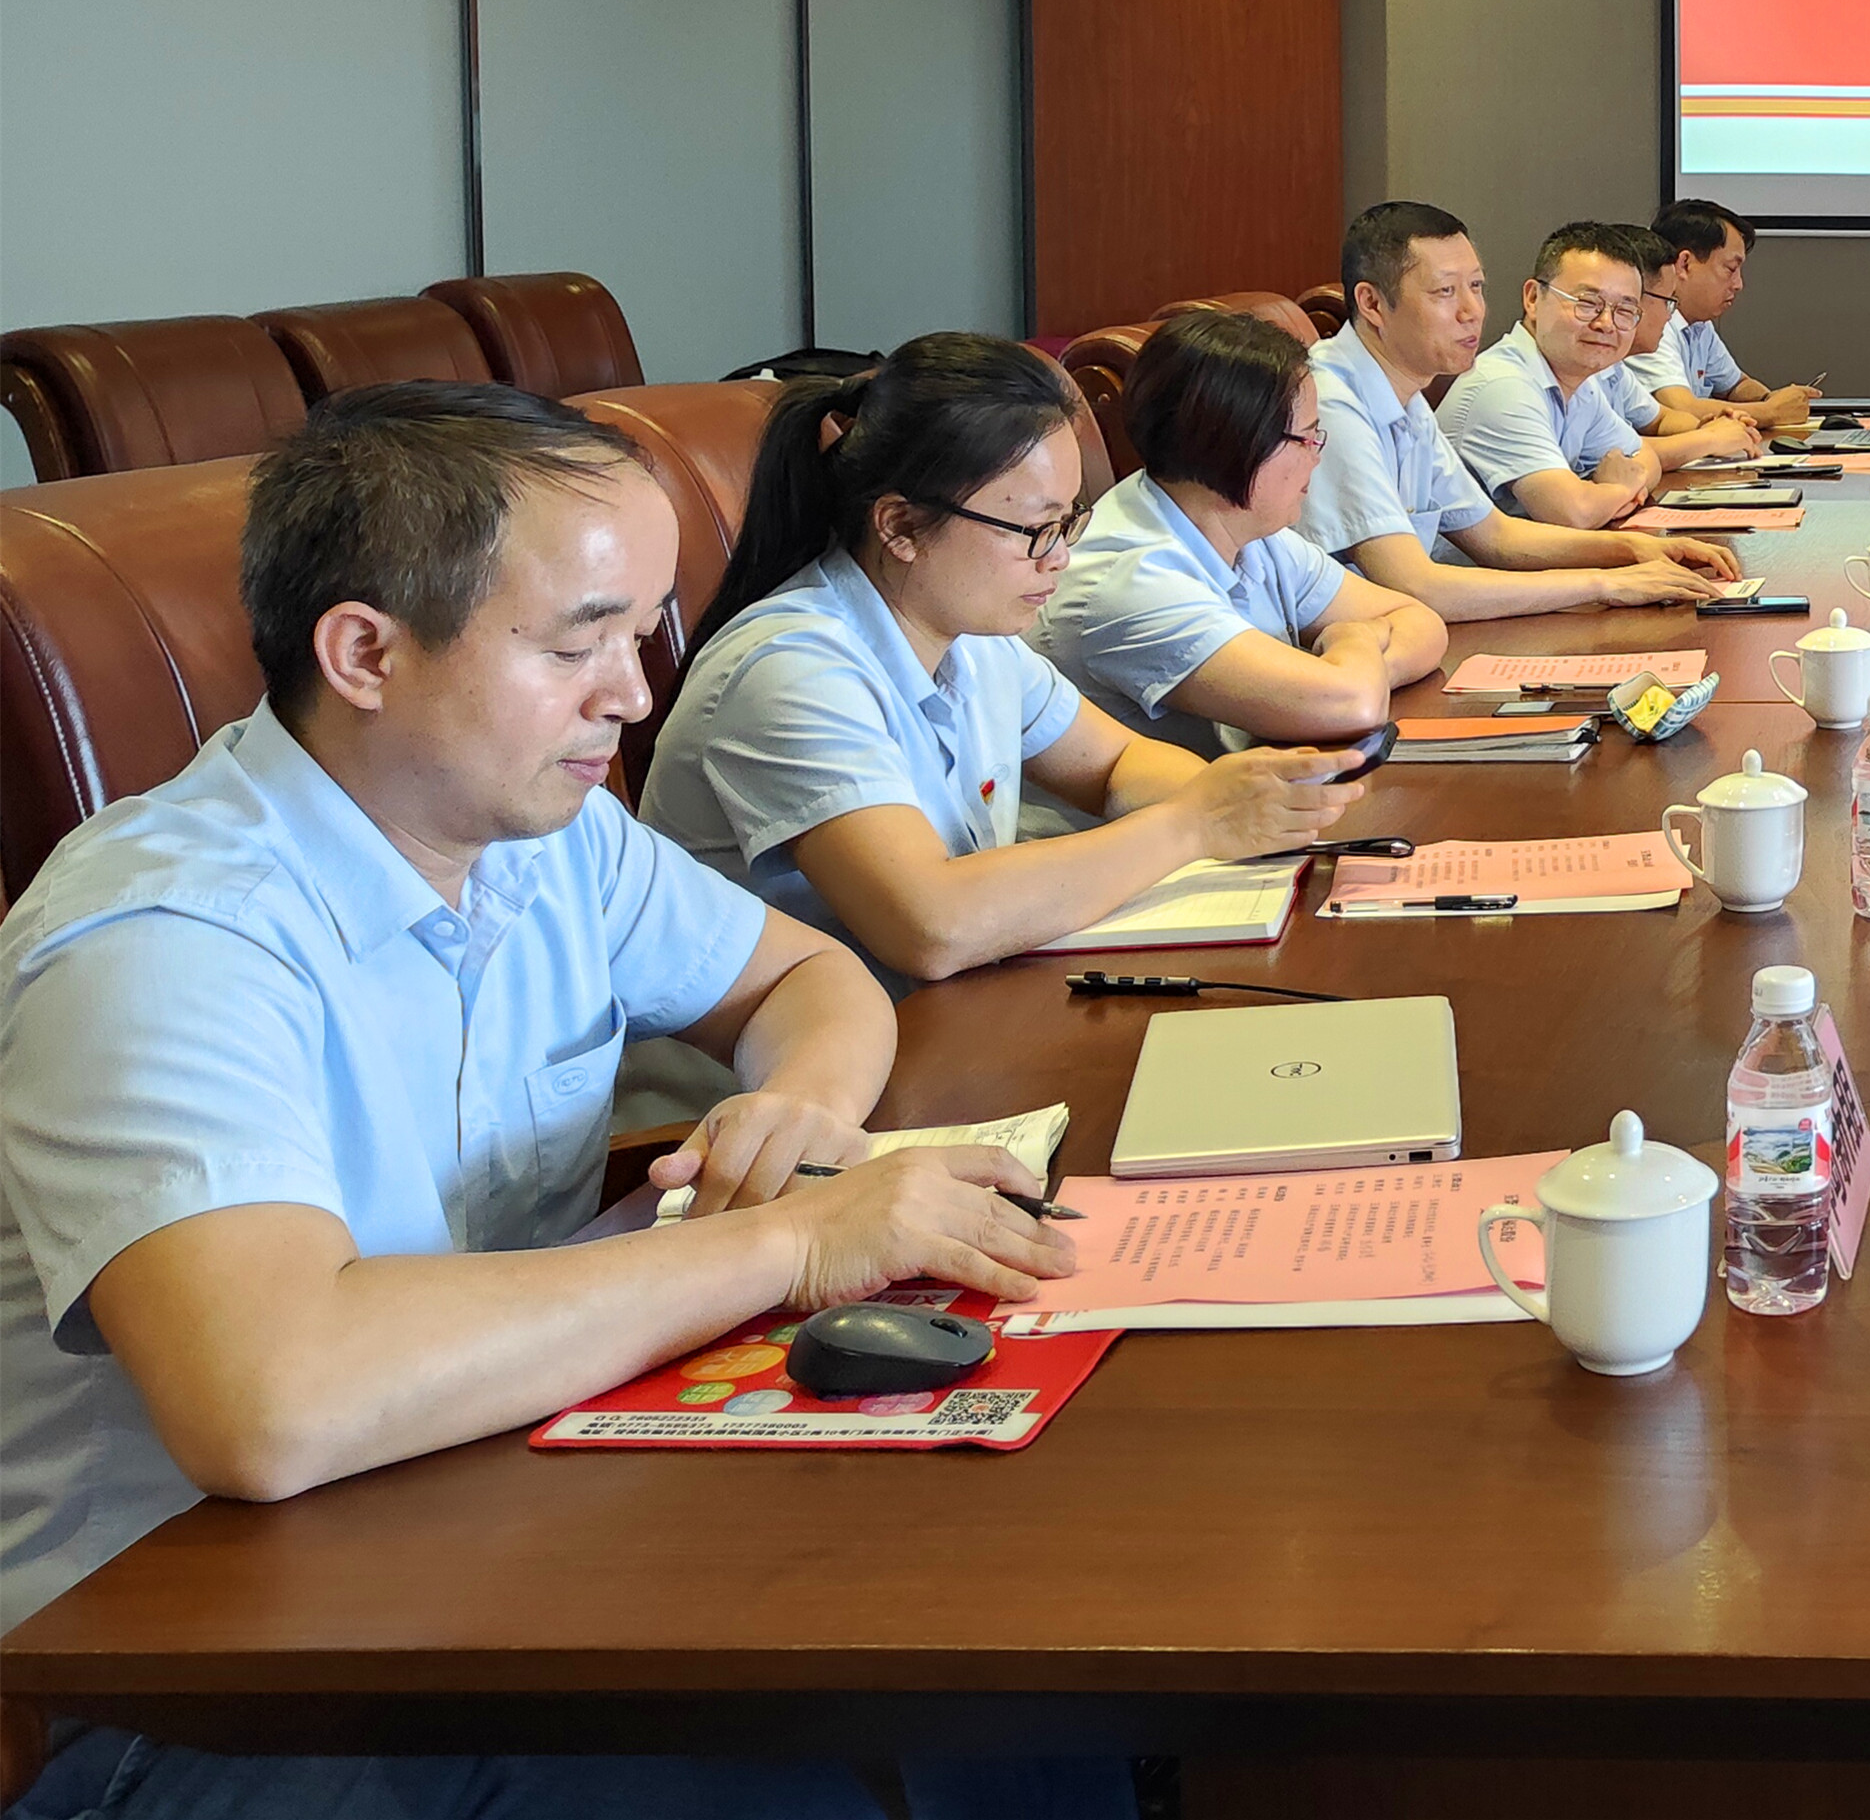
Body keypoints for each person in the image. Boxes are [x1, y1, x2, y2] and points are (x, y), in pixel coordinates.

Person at [0, 384, 1115, 1816]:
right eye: (578, 644)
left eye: (641, 634)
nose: (632, 695)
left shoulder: (545, 832)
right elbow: (270, 1400)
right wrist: (788, 1240)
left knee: (1013, 1652)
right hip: (190, 1676)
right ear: (365, 652)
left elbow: (809, 977)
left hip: (491, 1516)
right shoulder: (164, 935)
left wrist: (807, 1111)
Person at [639, 336, 1364, 986]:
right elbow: (931, 923)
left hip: (942, 1019)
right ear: (899, 526)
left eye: (1069, 519)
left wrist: (1253, 803)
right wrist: (1193, 824)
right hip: (779, 1079)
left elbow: (1115, 766)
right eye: (1035, 529)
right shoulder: (788, 669)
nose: (1061, 557)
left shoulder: (974, 635)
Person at [1030, 310, 1447, 759]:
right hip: (1170, 803)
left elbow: (1420, 622)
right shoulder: (1130, 579)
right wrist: (1354, 640)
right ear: (1236, 443)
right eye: (1307, 438)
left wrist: (1357, 674)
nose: (1317, 456)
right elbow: (1350, 706)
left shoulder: (1249, 528)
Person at [1296, 200, 1741, 619]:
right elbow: (1417, 586)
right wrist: (1606, 583)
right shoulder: (1328, 403)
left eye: (1476, 287)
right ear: (1373, 303)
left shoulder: (1405, 395)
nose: (1472, 311)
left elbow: (1496, 536)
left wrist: (1634, 551)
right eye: (1445, 291)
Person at [1434, 223, 1685, 526]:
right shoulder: (1502, 387)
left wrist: (1606, 494)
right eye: (1587, 303)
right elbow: (1574, 513)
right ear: (1532, 299)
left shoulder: (1579, 384)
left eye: (1624, 310)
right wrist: (1620, 489)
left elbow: (1647, 459)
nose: (1606, 323)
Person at [1630, 198, 1816, 433]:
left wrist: (1773, 399)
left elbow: (1735, 385)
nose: (1738, 284)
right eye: (1730, 269)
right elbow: (1679, 408)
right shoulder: (1652, 325)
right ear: (1685, 264)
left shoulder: (1699, 324)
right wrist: (1772, 412)